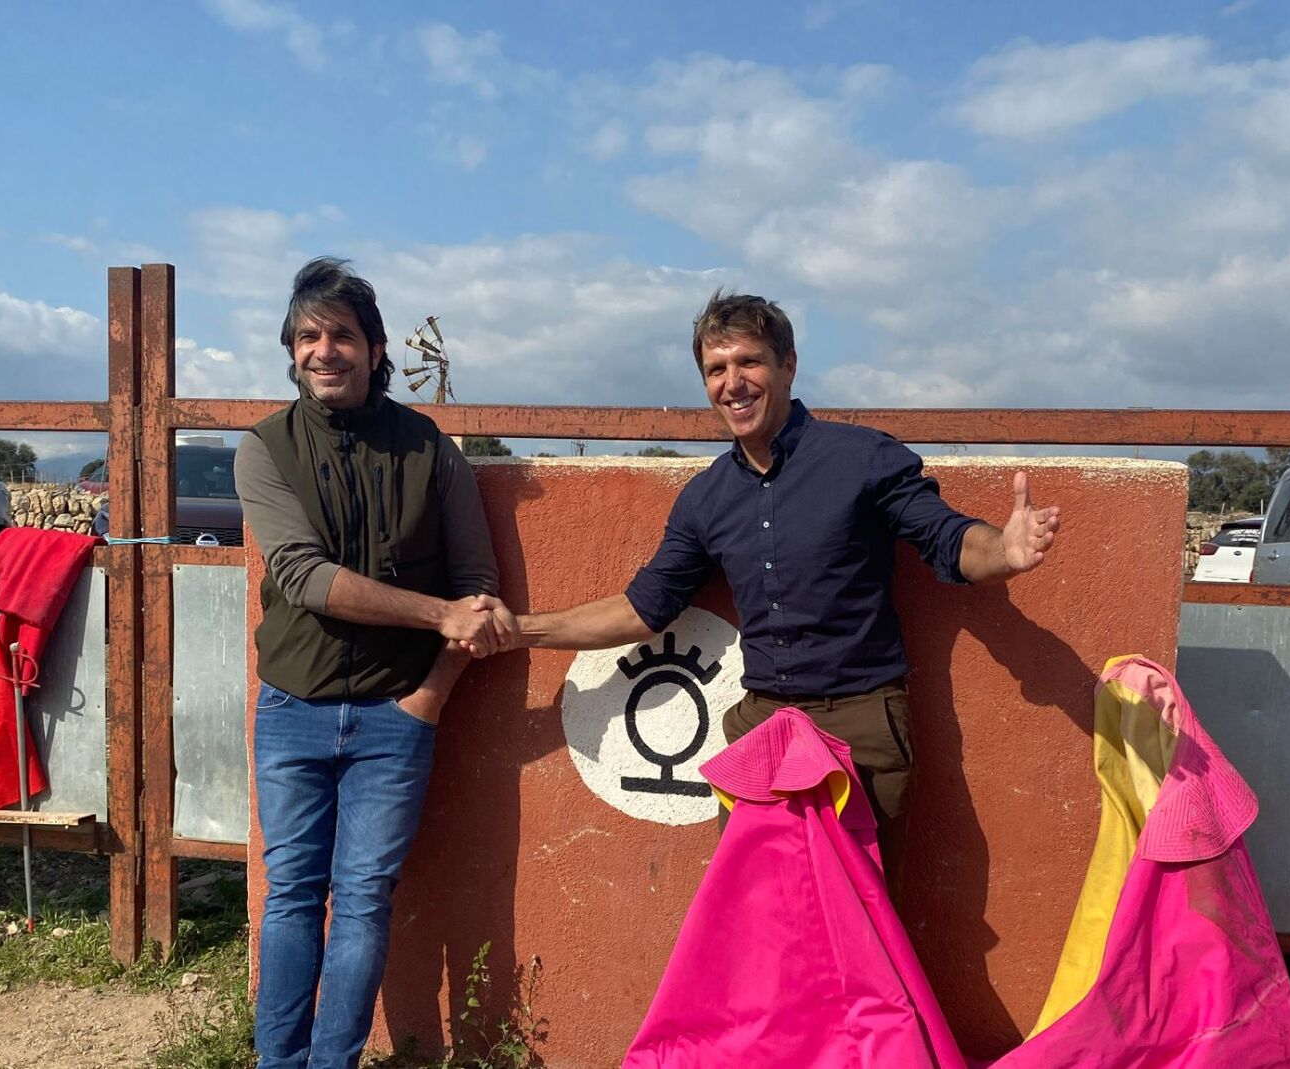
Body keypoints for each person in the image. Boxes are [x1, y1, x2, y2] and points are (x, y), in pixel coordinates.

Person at [478, 291, 1060, 887]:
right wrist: (519, 629)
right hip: (762, 729)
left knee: (862, 923)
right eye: (716, 369)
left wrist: (1004, 552)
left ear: (788, 366)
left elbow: (948, 539)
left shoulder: (861, 458)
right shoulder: (706, 498)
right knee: (755, 919)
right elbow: (643, 609)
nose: (732, 383)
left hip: (859, 727)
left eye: (749, 362)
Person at [234, 257, 508, 1069]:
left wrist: (430, 695)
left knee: (360, 901)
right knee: (292, 896)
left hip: (397, 715)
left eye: (343, 335)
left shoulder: (429, 449)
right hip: (292, 709)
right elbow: (304, 577)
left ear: (375, 347)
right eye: (308, 336)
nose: (325, 351)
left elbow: (478, 587)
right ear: (292, 351)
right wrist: (436, 615)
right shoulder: (264, 449)